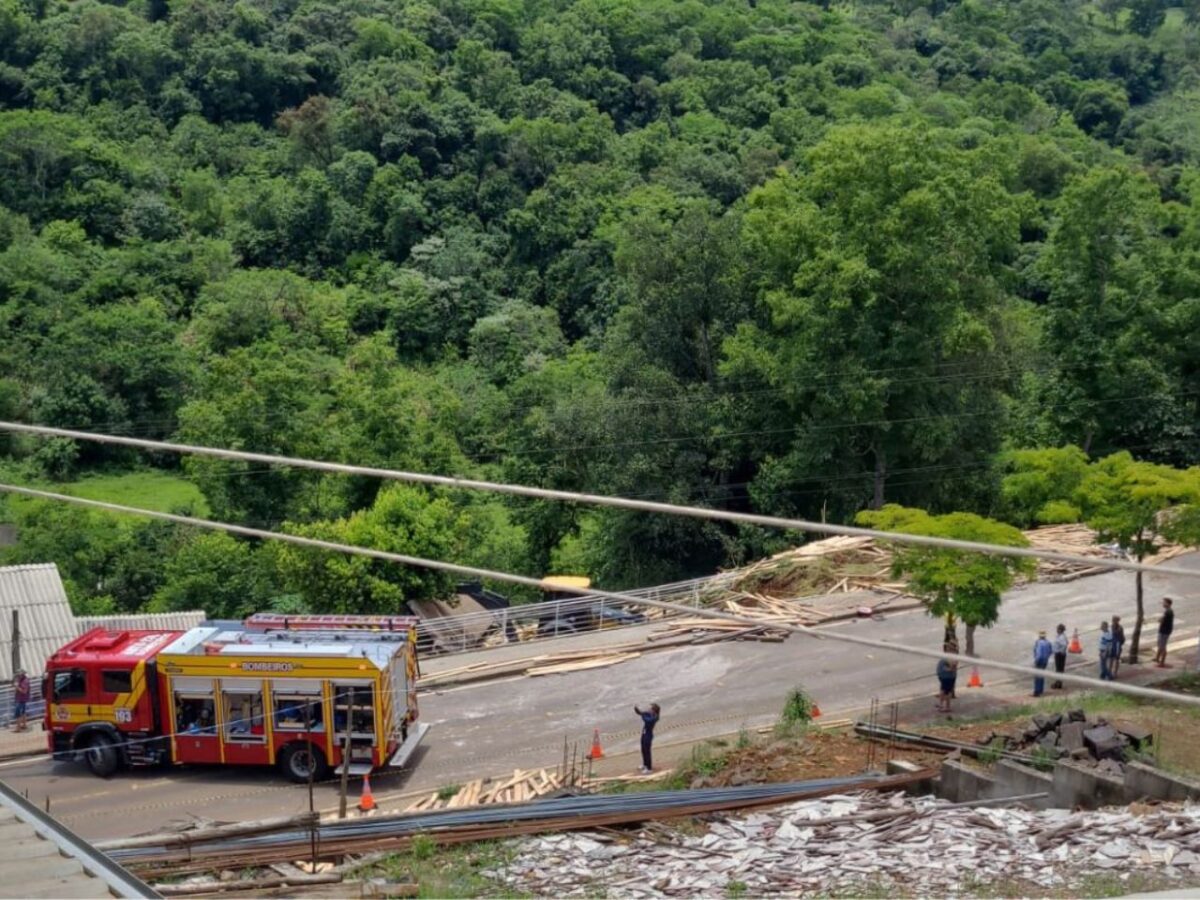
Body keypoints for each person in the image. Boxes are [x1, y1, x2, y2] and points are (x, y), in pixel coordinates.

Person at [634, 703, 660, 773]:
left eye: (651, 709)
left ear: (654, 711)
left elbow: (646, 720)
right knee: (643, 750)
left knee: (647, 751)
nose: (649, 709)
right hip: (644, 733)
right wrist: (636, 709)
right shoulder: (649, 714)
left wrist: (643, 715)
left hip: (648, 735)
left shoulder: (654, 717)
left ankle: (649, 768)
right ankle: (645, 764)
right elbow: (640, 713)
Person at [1032, 631, 1053, 697]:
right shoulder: (1048, 642)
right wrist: (1046, 657)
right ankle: (1041, 690)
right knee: (1042, 675)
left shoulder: (1038, 643)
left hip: (1039, 661)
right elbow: (1050, 651)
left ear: (1039, 636)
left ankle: (1037, 691)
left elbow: (1038, 653)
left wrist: (1036, 660)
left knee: (1037, 676)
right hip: (1045, 661)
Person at [1156, 597, 1175, 667]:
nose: (1163, 604)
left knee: (1162, 646)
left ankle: (1162, 662)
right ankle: (1157, 658)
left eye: (1164, 602)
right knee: (1160, 644)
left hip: (1164, 631)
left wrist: (1160, 620)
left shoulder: (1168, 611)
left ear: (1168, 603)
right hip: (1164, 630)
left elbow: (1161, 620)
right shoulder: (1168, 611)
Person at [1052, 624, 1068, 689]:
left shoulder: (1061, 637)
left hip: (1059, 655)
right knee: (1059, 669)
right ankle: (1058, 682)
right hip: (1059, 654)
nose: (1057, 630)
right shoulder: (1060, 636)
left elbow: (1064, 645)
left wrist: (1061, 651)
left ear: (1060, 630)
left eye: (1058, 629)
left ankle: (1058, 683)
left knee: (1059, 669)